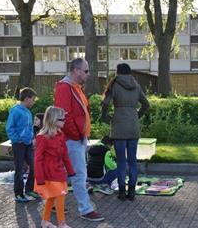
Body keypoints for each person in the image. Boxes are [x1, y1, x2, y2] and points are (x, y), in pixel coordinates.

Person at [54, 58, 104, 221]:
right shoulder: (65, 88)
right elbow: (63, 116)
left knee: (66, 174)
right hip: (72, 139)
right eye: (86, 71)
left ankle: (54, 204)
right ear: (75, 70)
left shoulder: (75, 88)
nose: (88, 74)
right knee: (79, 176)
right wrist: (77, 135)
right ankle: (85, 209)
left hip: (76, 139)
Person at [101, 63, 149, 201]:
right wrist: (137, 115)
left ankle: (122, 192)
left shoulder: (114, 84)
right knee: (133, 161)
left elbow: (105, 103)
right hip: (133, 126)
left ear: (118, 72)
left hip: (119, 126)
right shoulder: (136, 85)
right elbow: (146, 104)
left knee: (121, 162)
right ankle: (132, 193)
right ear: (129, 72)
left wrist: (105, 116)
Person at [34, 106, 75, 228]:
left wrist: (70, 171)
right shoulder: (42, 137)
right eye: (62, 119)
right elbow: (38, 159)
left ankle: (45, 221)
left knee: (52, 197)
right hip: (49, 174)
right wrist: (40, 178)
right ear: (54, 120)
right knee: (60, 195)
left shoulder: (61, 135)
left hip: (59, 172)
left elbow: (65, 155)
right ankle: (62, 223)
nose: (64, 120)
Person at [5, 87, 40, 202]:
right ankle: (18, 194)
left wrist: (32, 138)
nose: (34, 102)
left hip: (28, 144)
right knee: (19, 169)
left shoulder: (28, 112)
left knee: (33, 166)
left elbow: (29, 128)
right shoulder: (15, 111)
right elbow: (9, 128)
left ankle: (29, 189)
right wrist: (17, 139)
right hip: (19, 145)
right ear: (26, 98)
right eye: (33, 99)